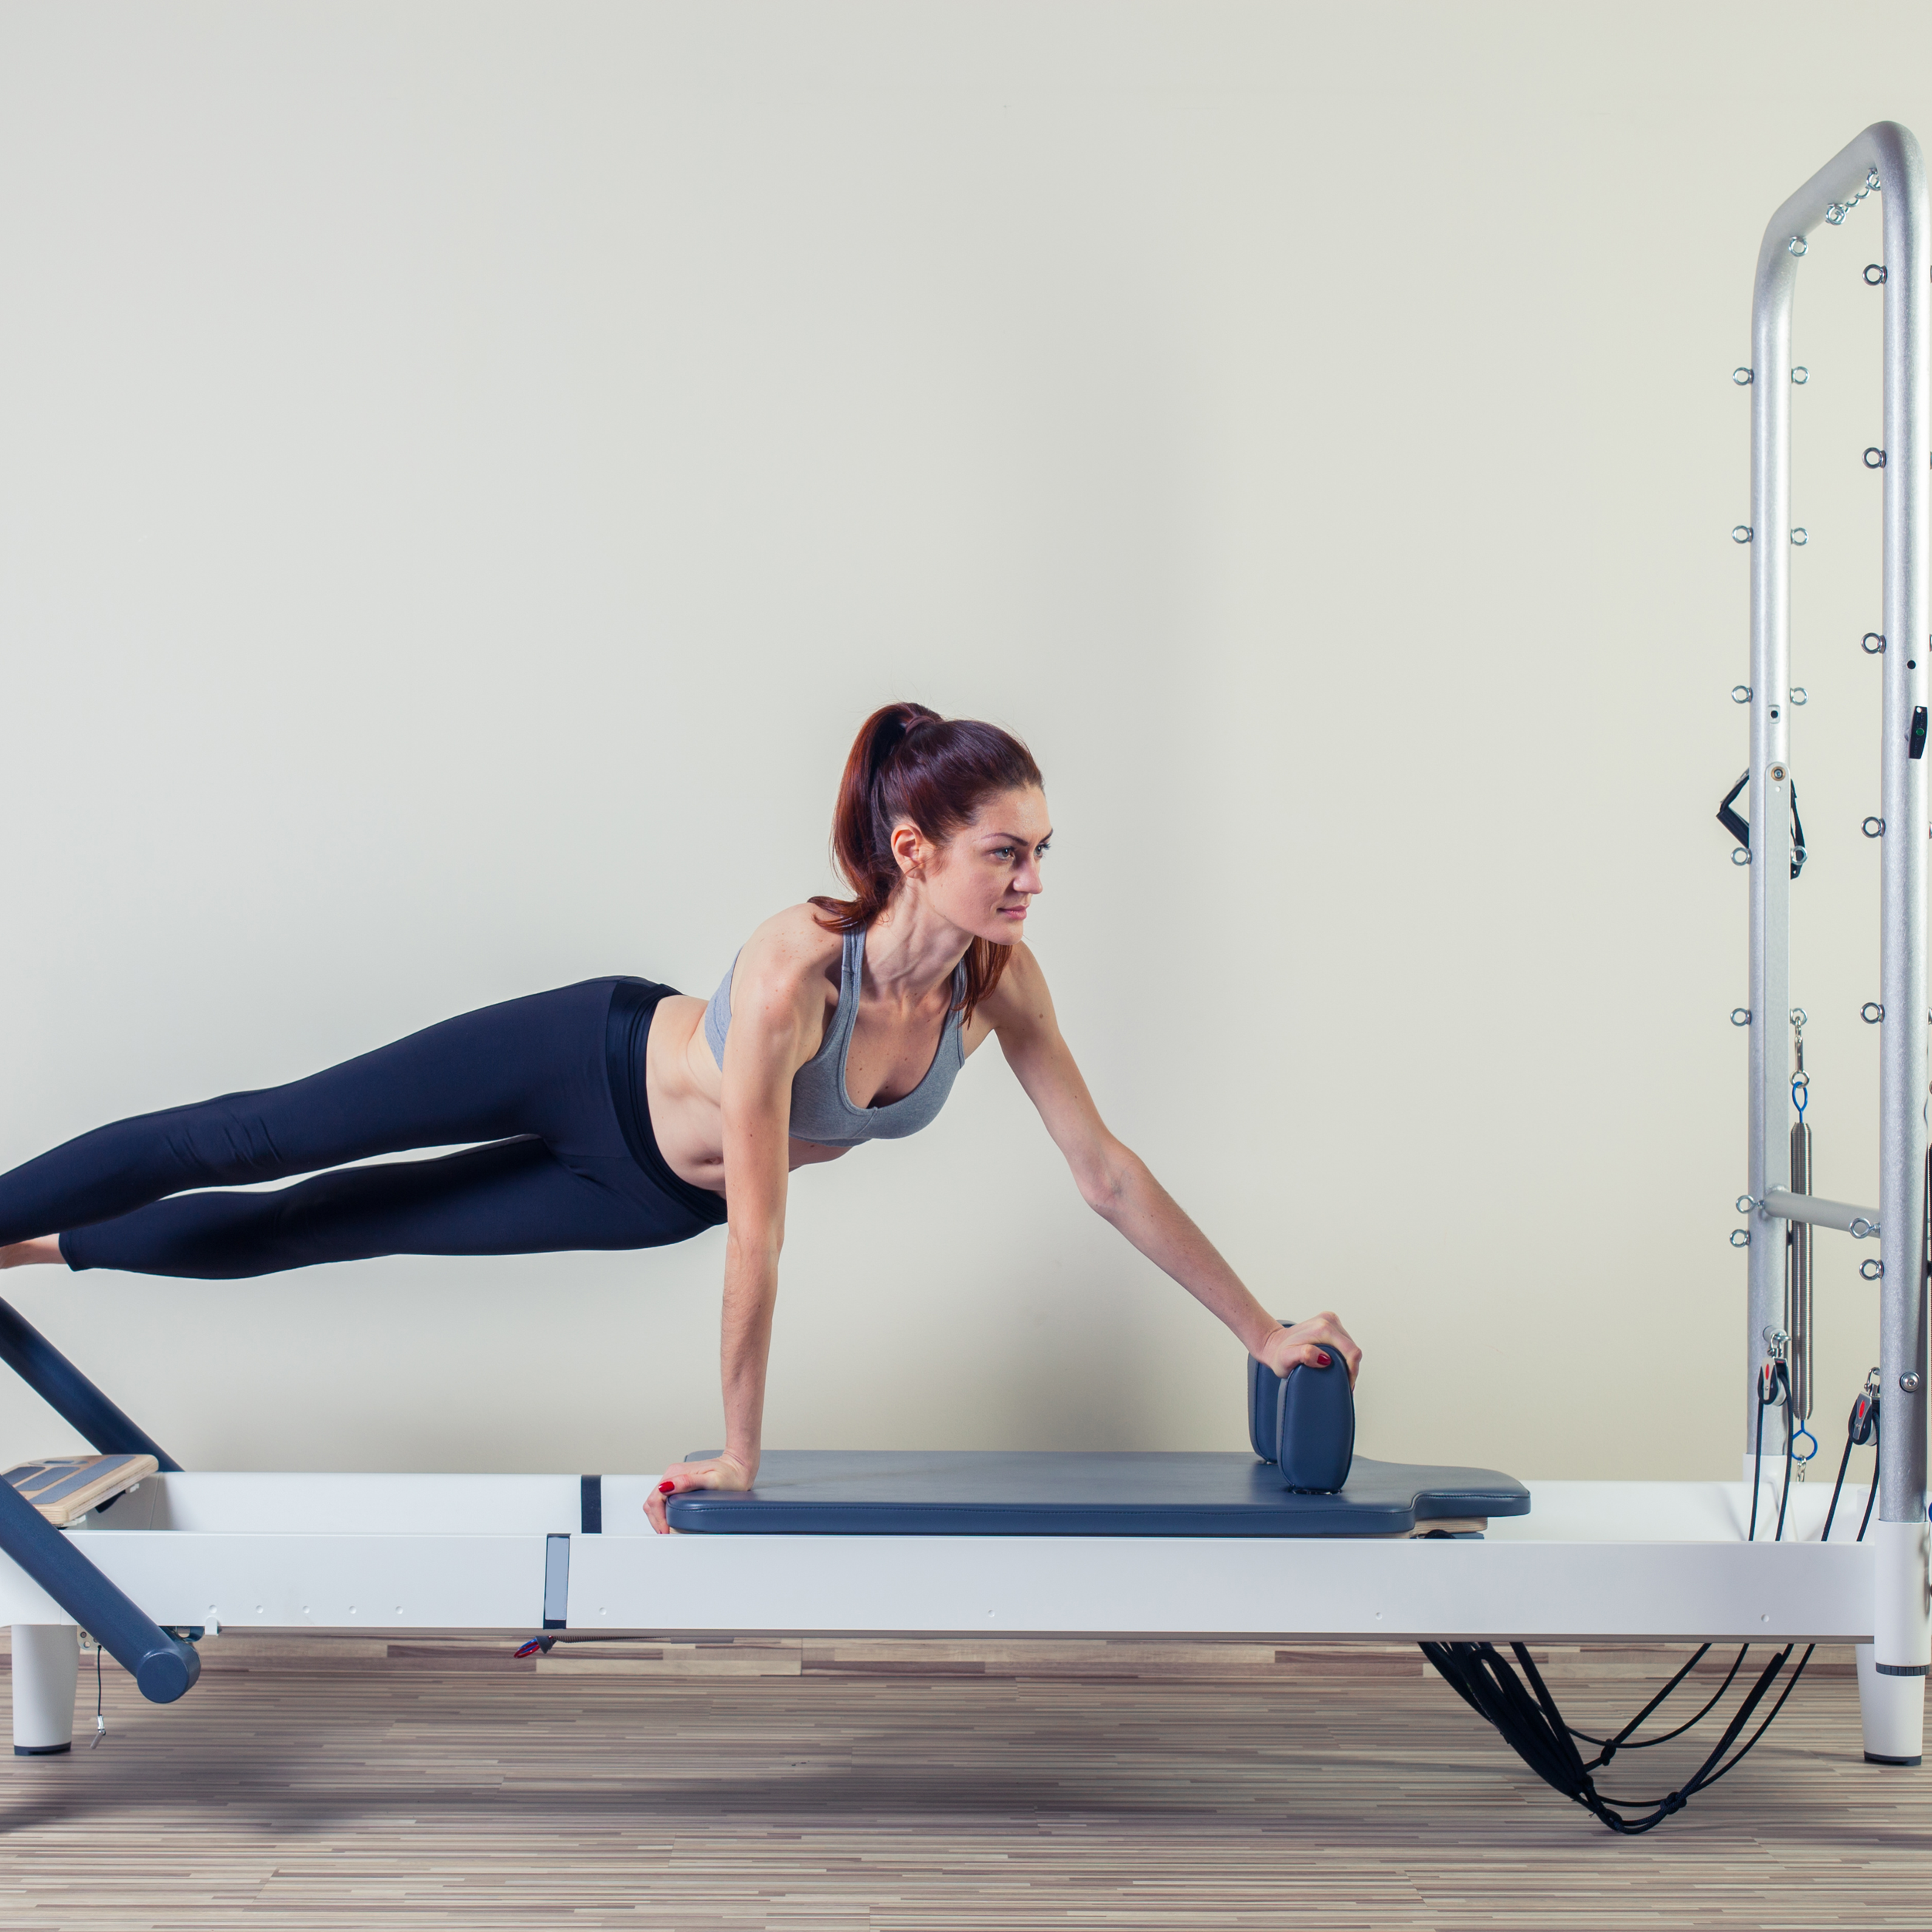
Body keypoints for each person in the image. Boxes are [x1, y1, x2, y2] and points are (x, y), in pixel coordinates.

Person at [0, 702, 1359, 1530]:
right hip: (573, 1062)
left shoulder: (998, 985)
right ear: (915, 853)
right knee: (266, 1136)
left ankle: (40, 1253)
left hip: (644, 1195)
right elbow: (763, 1237)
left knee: (327, 1229)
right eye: (1007, 851)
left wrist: (1262, 1328)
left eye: (1042, 851)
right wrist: (742, 1456)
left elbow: (1105, 1172)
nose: (1031, 879)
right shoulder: (791, 977)